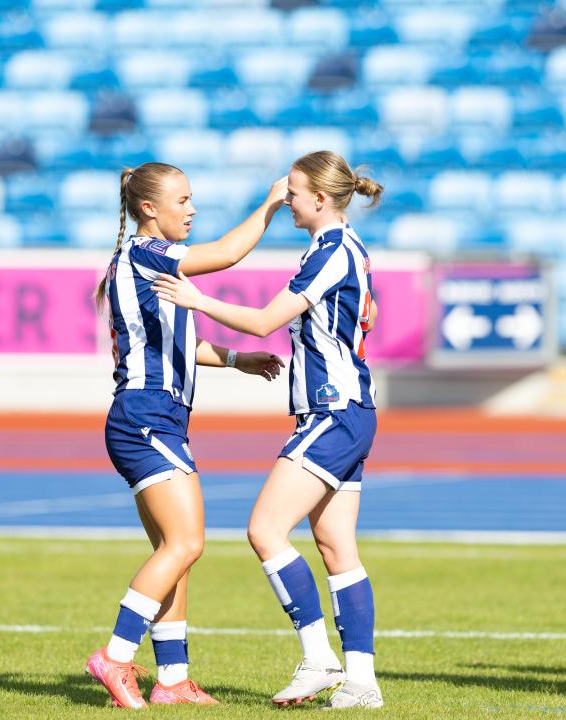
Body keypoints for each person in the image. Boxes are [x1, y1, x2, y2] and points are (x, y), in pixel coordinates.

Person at [154, 150, 383, 709]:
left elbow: (263, 322)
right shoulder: (341, 247)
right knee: (336, 546)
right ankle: (362, 682)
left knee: (264, 530)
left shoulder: (330, 252)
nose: (288, 200)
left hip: (332, 411)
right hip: (348, 410)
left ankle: (317, 656)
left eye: (295, 193)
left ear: (320, 200)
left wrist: (195, 298)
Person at [86, 162, 287, 708]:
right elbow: (225, 253)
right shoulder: (145, 254)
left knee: (175, 550)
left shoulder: (143, 266)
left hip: (156, 417)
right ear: (149, 208)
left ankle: (172, 680)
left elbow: (174, 344)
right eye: (182, 200)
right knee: (187, 542)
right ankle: (116, 657)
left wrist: (236, 359)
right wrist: (270, 205)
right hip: (145, 416)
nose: (191, 209)